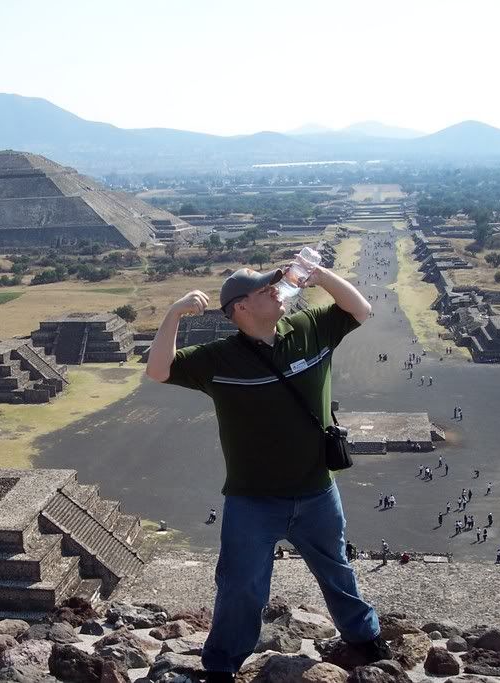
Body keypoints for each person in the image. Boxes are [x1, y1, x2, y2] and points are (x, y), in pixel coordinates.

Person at [145, 264, 388, 678]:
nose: (276, 290)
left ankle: (365, 640)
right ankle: (222, 665)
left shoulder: (310, 327)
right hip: (252, 499)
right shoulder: (219, 359)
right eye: (264, 289)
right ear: (240, 307)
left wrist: (323, 276)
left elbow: (361, 309)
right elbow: (158, 370)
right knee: (241, 587)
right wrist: (174, 314)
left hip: (317, 491)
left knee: (337, 571)